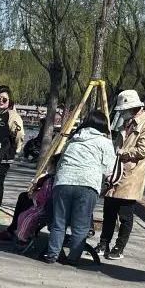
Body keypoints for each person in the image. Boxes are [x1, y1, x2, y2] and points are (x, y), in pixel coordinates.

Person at [42, 110, 117, 265]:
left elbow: (61, 160)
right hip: (87, 184)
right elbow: (109, 169)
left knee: (59, 222)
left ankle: (52, 254)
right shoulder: (104, 142)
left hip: (63, 182)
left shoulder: (73, 139)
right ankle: (73, 258)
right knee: (81, 226)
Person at [100, 89, 145, 260]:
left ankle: (119, 247)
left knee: (125, 214)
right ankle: (104, 243)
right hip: (115, 172)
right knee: (108, 210)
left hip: (132, 174)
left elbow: (143, 150)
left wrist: (122, 153)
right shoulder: (125, 121)